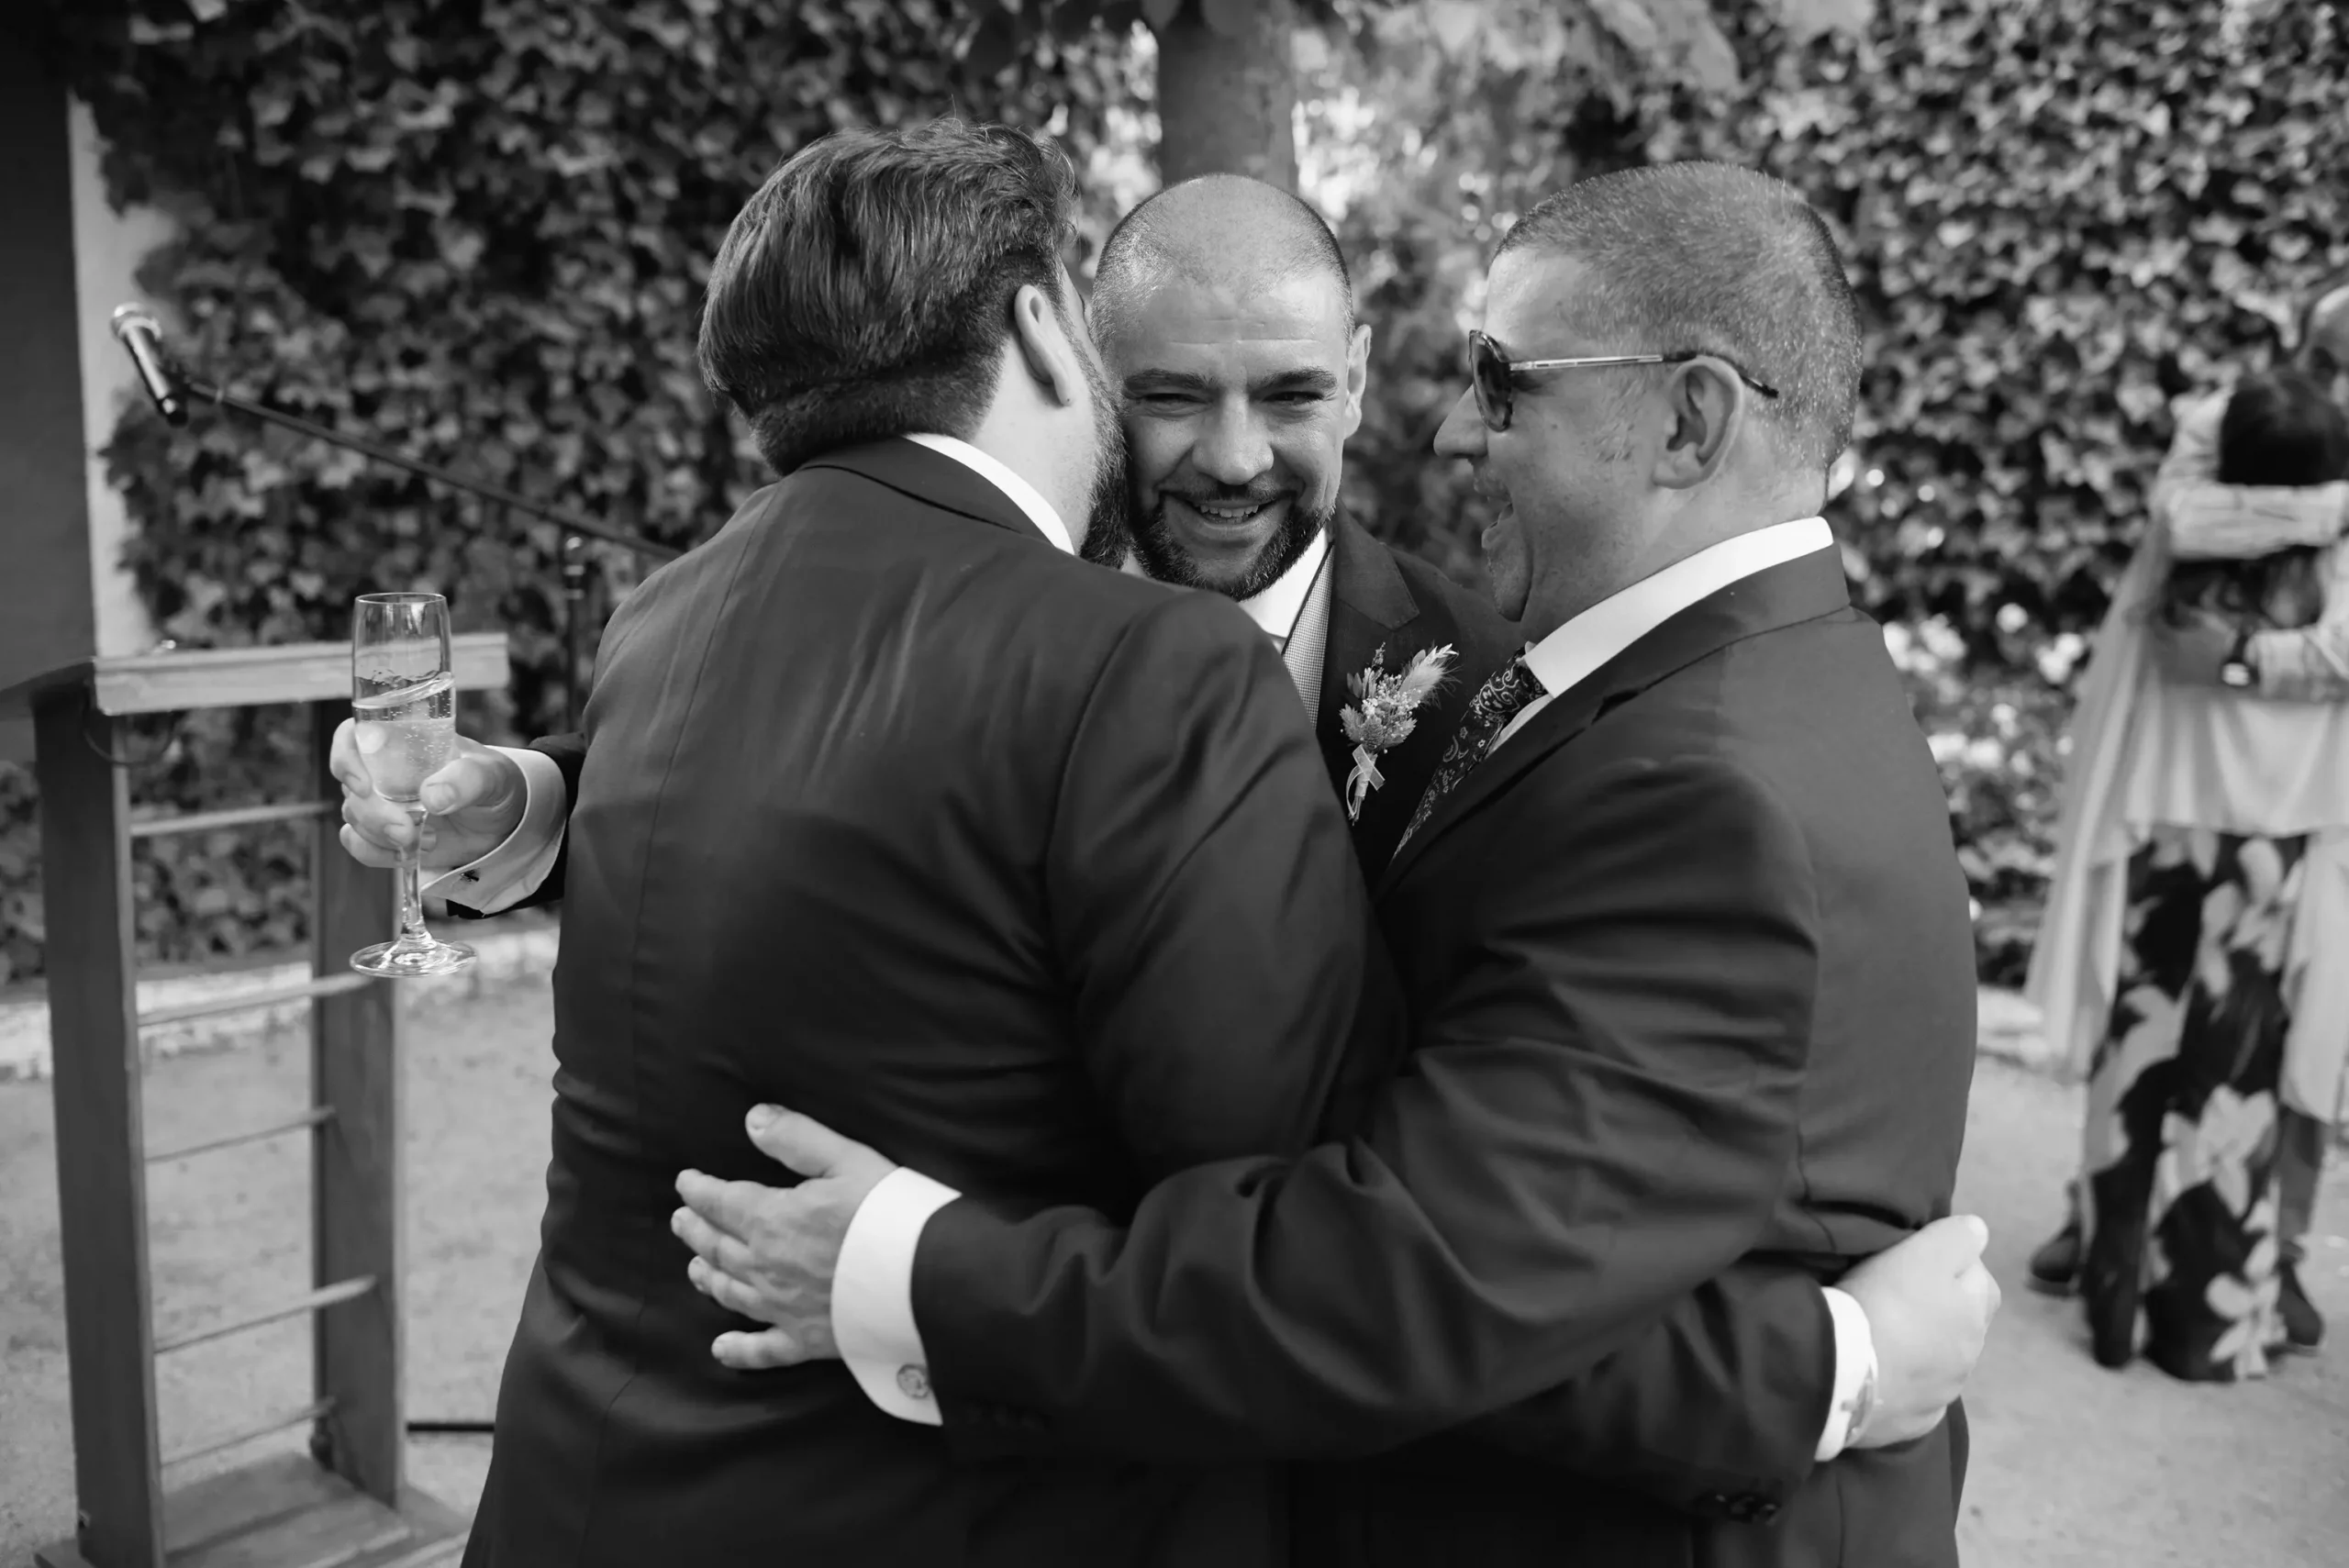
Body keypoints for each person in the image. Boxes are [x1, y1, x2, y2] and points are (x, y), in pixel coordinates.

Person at [335, 139, 1997, 1563]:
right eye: (1173, 395)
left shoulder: (1507, 673)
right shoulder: (1014, 622)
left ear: (1355, 376)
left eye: (1293, 395)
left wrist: (1814, 1369)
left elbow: (1438, 1227)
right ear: (1073, 348)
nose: (1232, 455)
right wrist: (543, 802)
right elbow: (1349, 1221)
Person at [2025, 339, 2349, 1373]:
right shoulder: (2293, 537)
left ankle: (2120, 1292)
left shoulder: (2191, 543)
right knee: (2229, 1083)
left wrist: (2238, 656)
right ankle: (2199, 1321)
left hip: (2172, 819)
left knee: (2146, 1062)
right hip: (2267, 841)